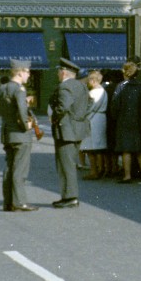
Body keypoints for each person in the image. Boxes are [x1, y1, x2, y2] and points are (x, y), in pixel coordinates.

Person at [47, 57, 89, 208]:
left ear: (64, 72)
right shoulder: (81, 86)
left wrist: (55, 117)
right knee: (69, 163)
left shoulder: (65, 87)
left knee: (65, 165)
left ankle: (70, 196)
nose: (58, 74)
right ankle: (69, 196)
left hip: (66, 130)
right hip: (78, 129)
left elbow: (63, 106)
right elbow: (89, 103)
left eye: (59, 71)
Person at [0, 59, 37, 212]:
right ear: (20, 73)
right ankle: (19, 202)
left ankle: (8, 202)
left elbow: (8, 108)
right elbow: (21, 111)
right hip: (20, 134)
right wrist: (27, 125)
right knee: (20, 169)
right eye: (27, 72)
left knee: (9, 168)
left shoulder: (2, 88)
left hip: (7, 132)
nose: (29, 75)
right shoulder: (20, 89)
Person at [111, 61, 141, 183]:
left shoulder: (121, 86)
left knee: (126, 150)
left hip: (124, 121)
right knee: (140, 150)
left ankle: (127, 175)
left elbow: (115, 105)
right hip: (138, 121)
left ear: (124, 72)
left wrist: (115, 117)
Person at [81, 70, 109, 179]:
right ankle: (101, 169)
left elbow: (88, 108)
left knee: (91, 148)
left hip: (92, 120)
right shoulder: (103, 91)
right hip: (100, 119)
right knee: (99, 147)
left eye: (89, 80)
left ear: (93, 81)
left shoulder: (93, 93)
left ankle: (94, 171)